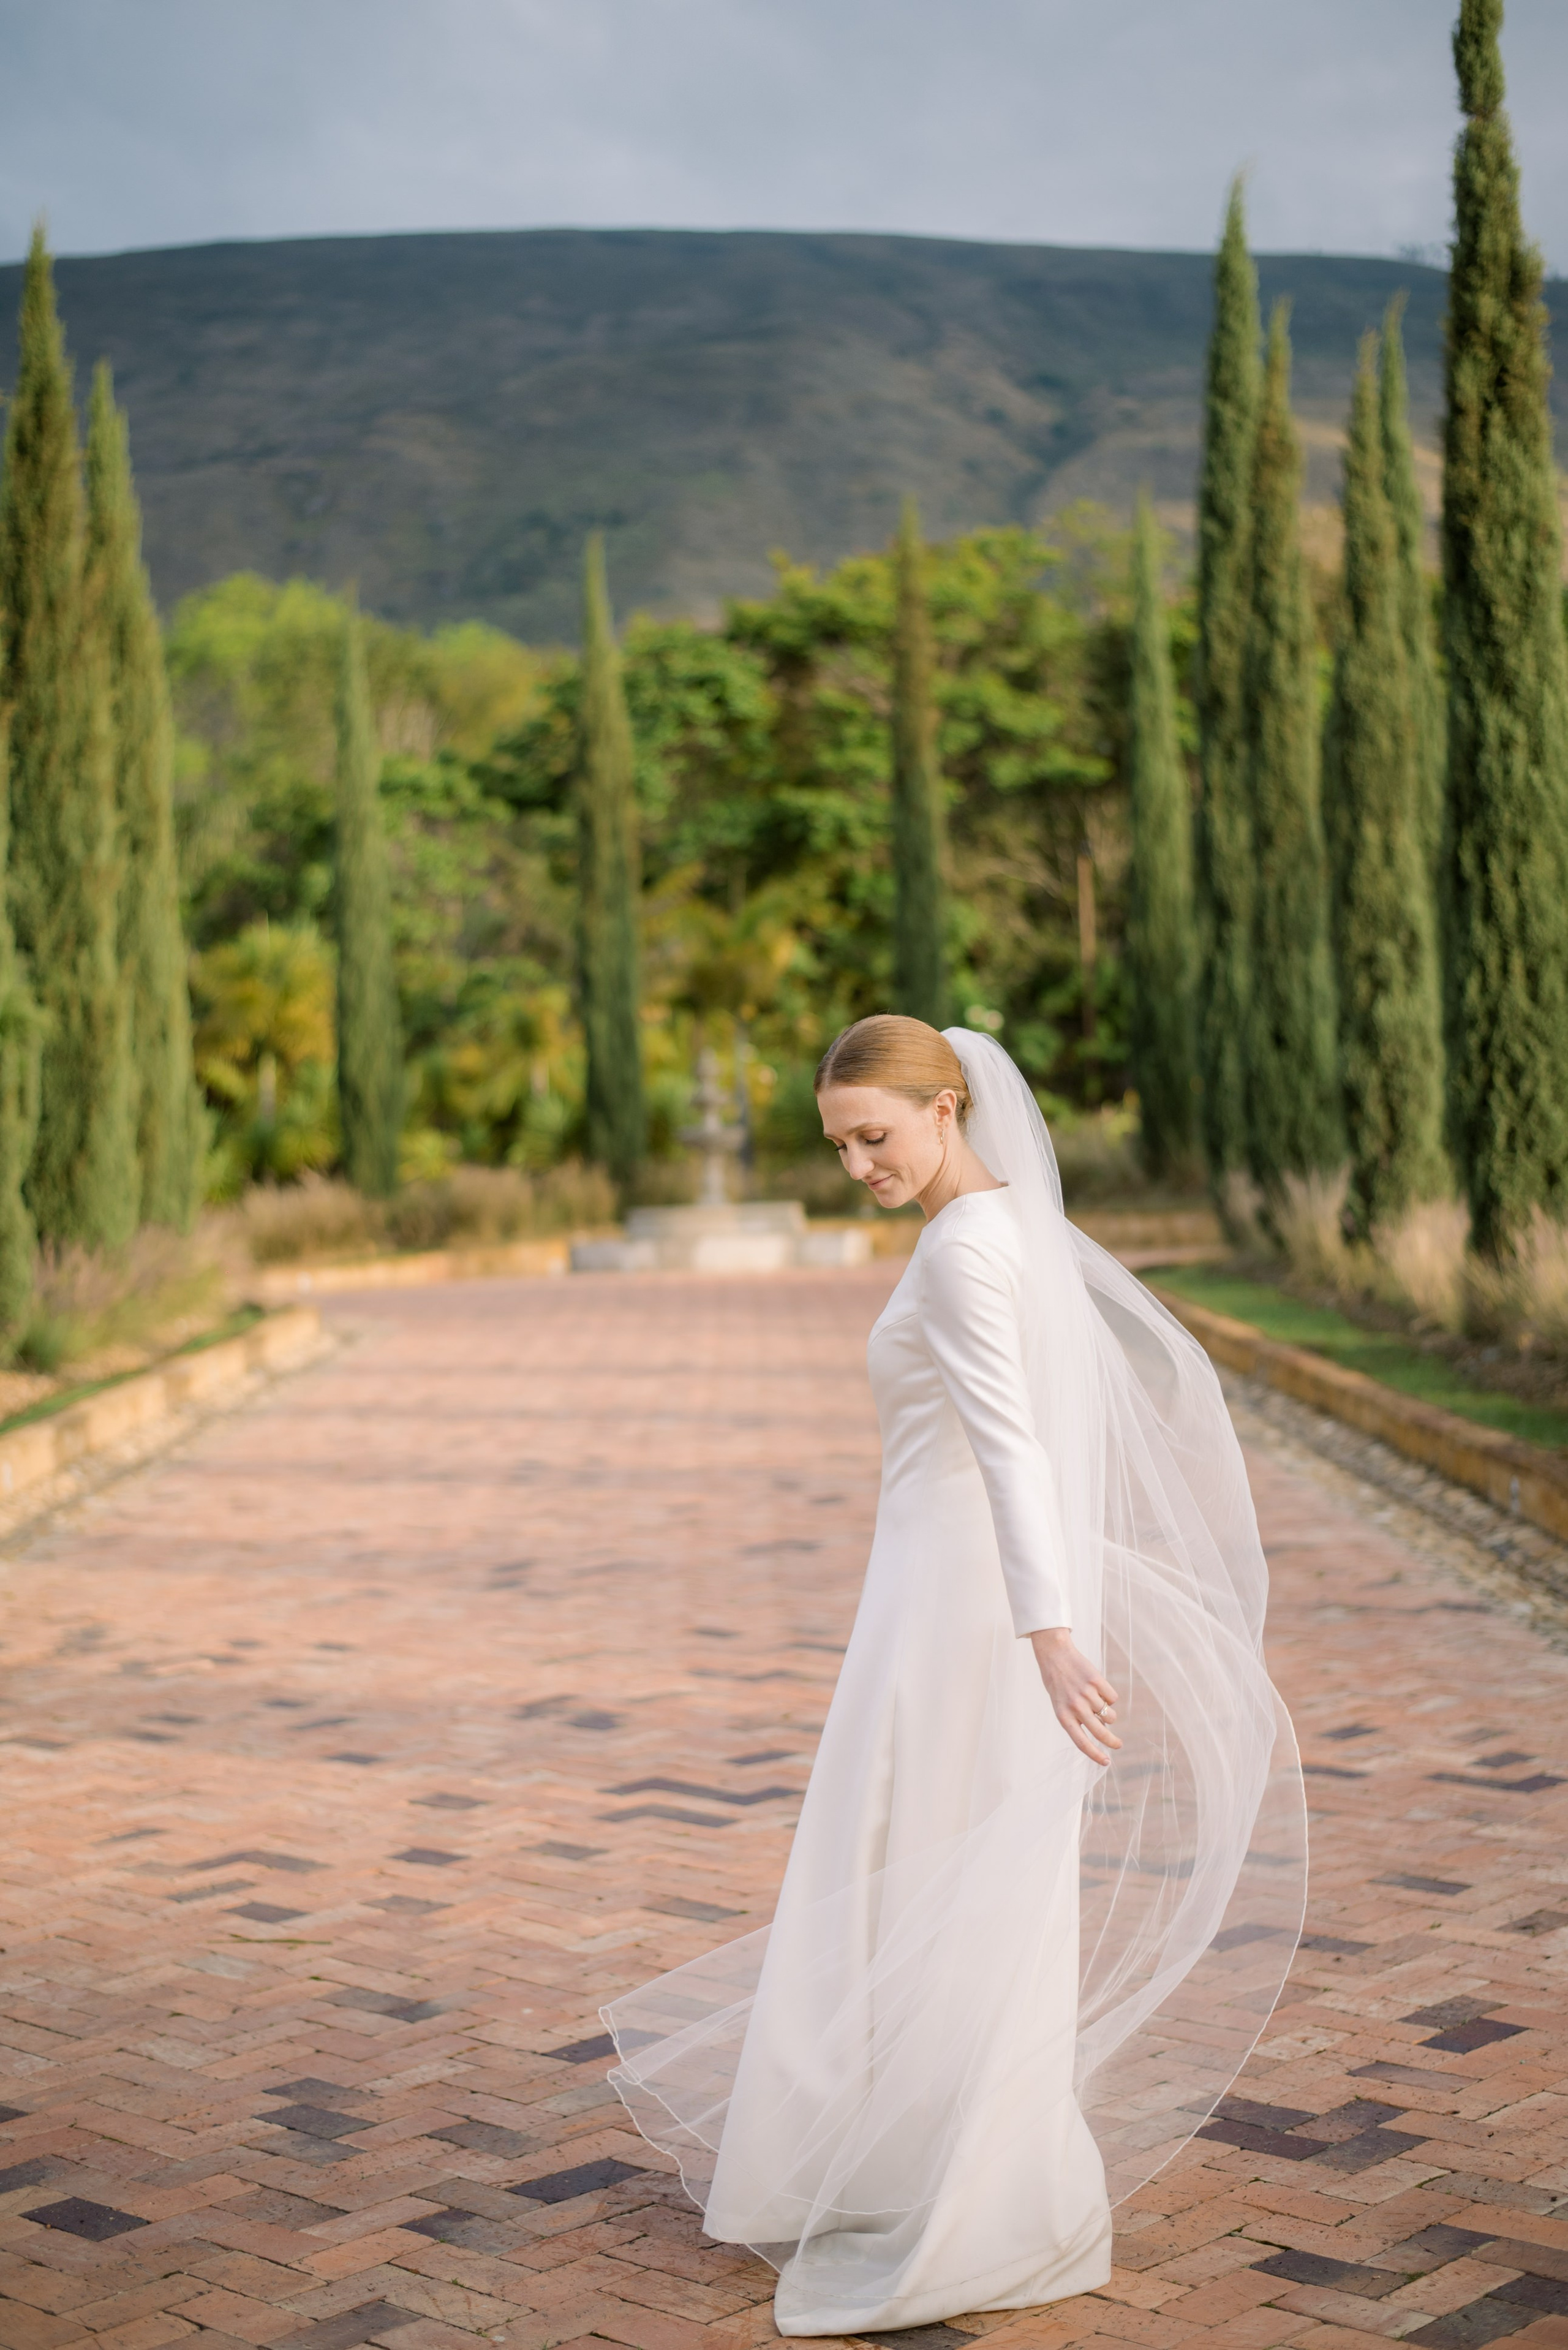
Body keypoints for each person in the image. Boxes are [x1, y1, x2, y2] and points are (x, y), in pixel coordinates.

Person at [604, 1017, 1305, 2337]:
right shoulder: (999, 1235)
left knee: (919, 1865)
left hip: (957, 1619)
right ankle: (924, 2162)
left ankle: (968, 2188)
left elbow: (1011, 1453)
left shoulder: (965, 1253)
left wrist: (1046, 1632)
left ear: (948, 1105)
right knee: (931, 1870)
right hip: (936, 1600)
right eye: (839, 1144)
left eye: (875, 1135)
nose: (858, 1163)